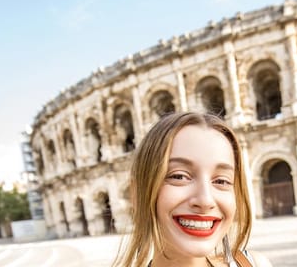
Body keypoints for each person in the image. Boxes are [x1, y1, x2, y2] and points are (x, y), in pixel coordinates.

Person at [114, 112, 272, 267]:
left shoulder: (255, 264)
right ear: (136, 194)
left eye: (221, 180)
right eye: (179, 176)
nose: (205, 200)